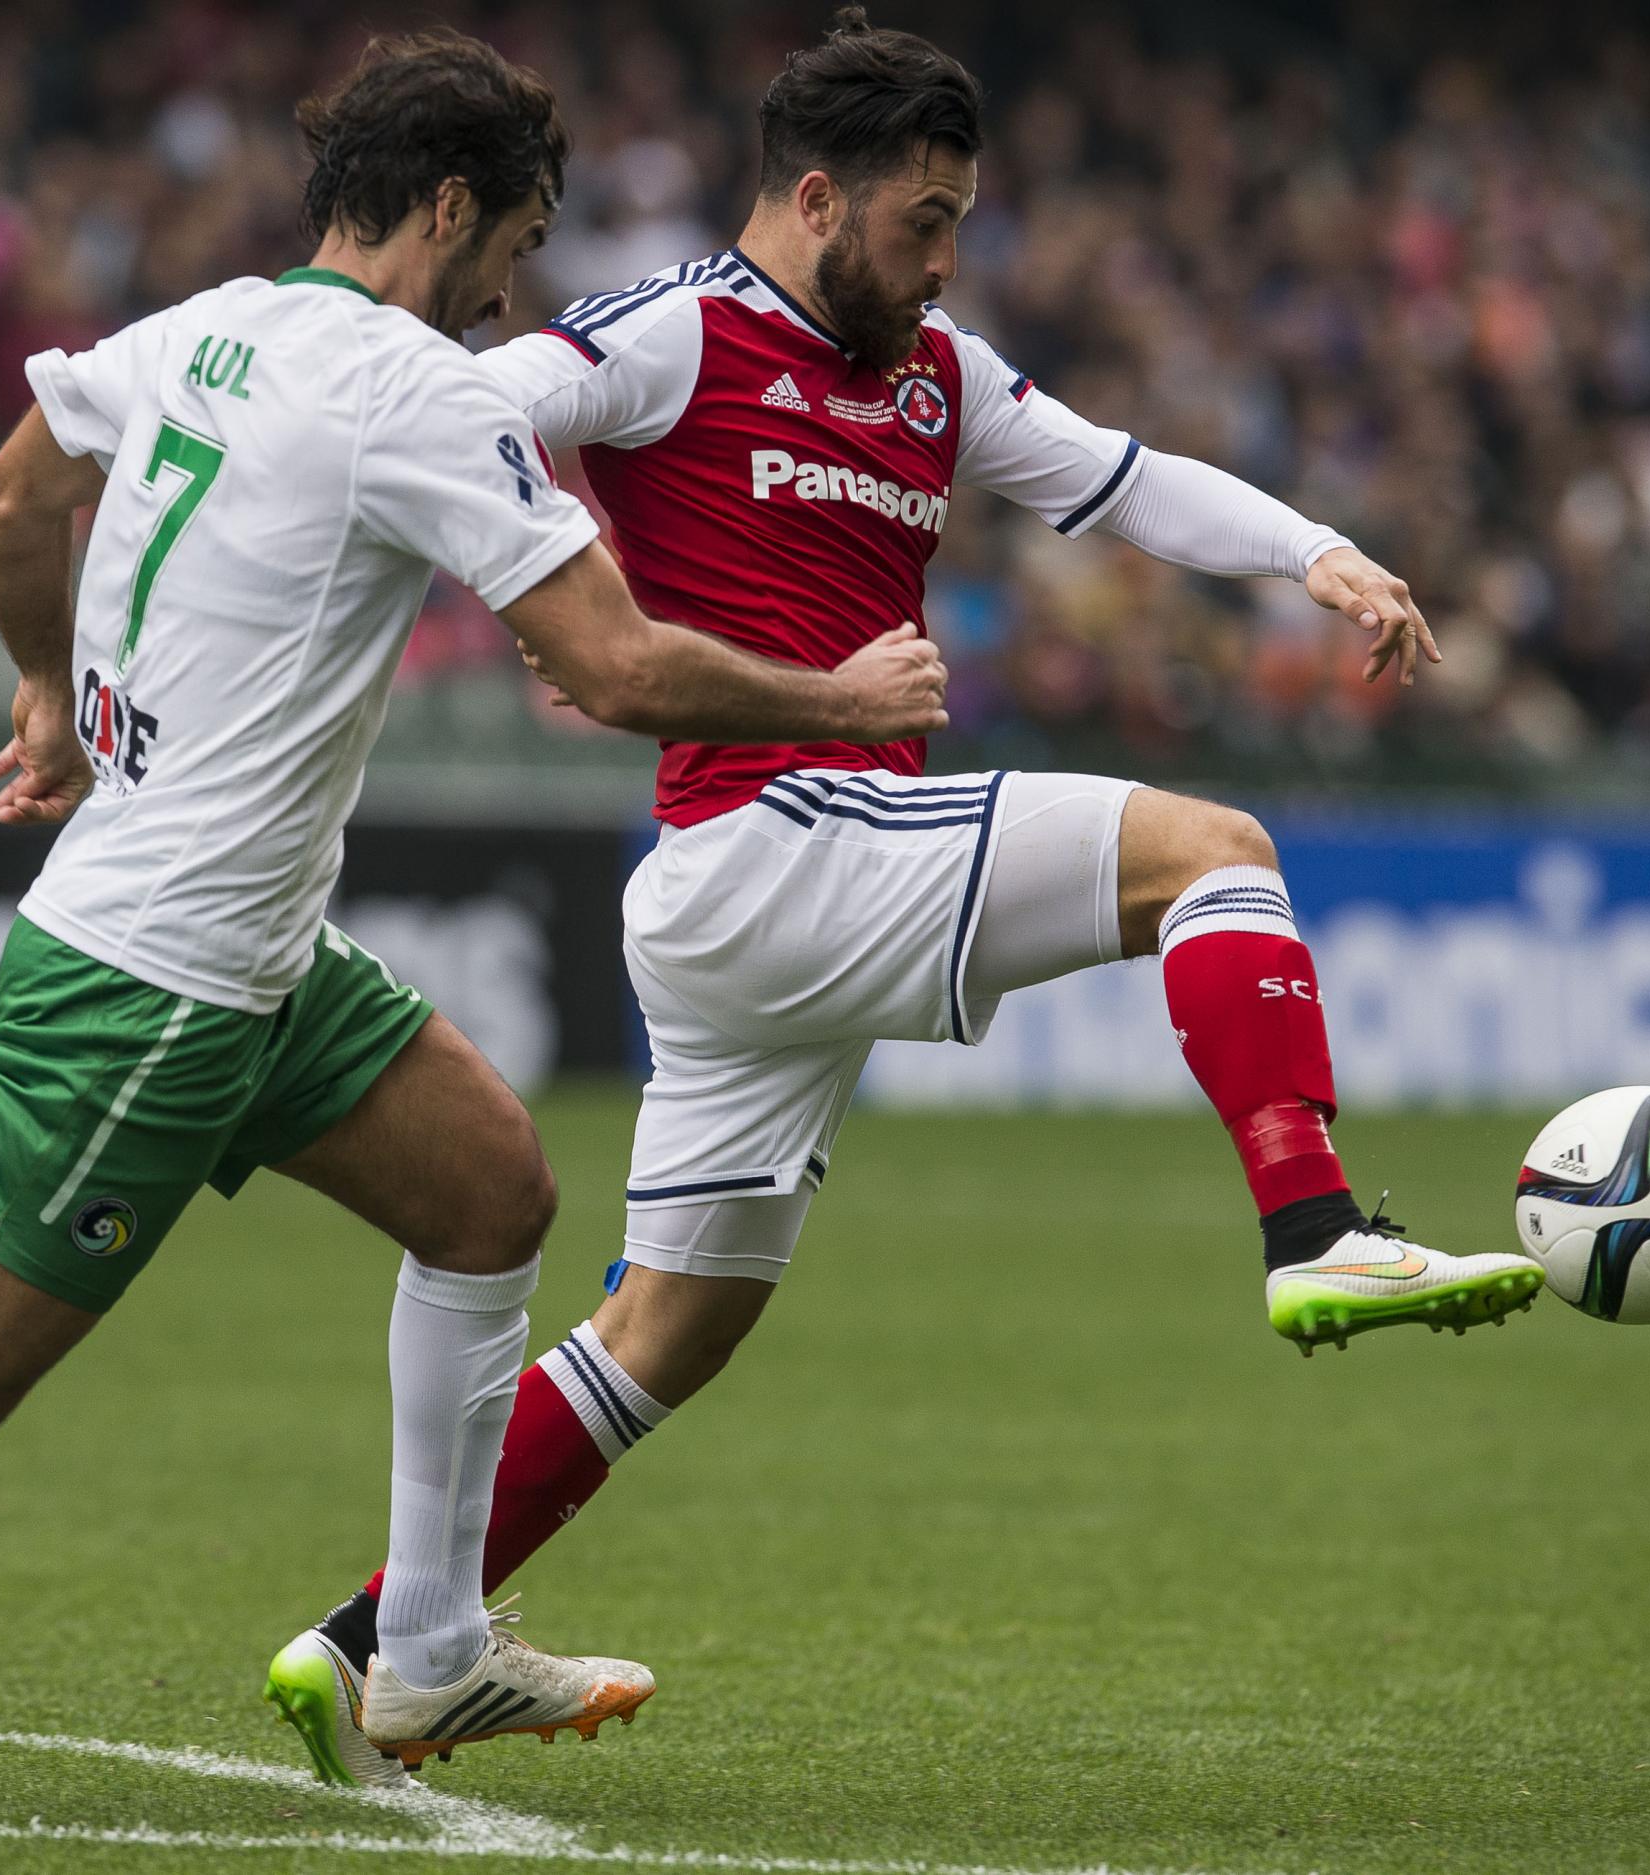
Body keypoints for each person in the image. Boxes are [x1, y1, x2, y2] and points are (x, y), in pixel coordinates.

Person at [0, 29, 952, 1790]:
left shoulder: (203, 326)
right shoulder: (416, 389)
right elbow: (607, 660)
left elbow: (12, 495)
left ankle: (427, 1650)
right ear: (446, 208)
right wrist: (846, 701)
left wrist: (49, 696)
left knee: (492, 1186)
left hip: (251, 946)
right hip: (163, 978)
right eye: (509, 253)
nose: (509, 304)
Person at [264, 8, 1545, 1788]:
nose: (944, 257)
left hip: (759, 909)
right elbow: (483, 400)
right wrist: (536, 580)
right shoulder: (682, 331)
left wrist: (1313, 555)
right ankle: (1316, 1233)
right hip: (776, 839)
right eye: (921, 220)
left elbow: (1123, 476)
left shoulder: (940, 371)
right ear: (813, 195)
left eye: (959, 222)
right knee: (1214, 852)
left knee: (672, 1329)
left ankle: (376, 1644)